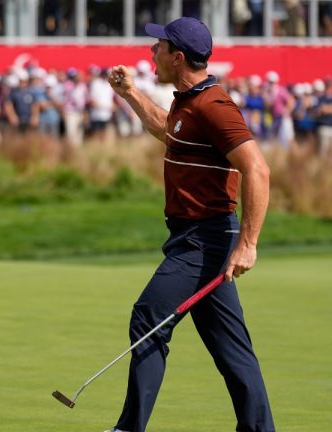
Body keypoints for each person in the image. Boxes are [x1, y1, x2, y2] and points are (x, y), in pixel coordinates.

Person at [105, 17, 275, 432]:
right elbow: (167, 130)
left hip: (205, 241)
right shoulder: (188, 101)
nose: (151, 53)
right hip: (195, 237)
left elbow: (257, 169)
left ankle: (128, 428)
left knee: (148, 317)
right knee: (231, 350)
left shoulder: (214, 106)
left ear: (177, 56)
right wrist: (129, 92)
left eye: (158, 47)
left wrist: (248, 243)